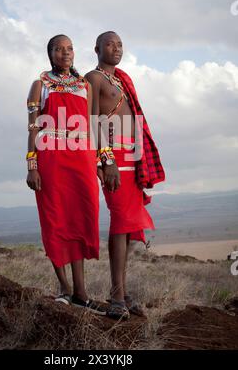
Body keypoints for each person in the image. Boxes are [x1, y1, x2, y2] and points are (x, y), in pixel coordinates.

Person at [85, 31, 165, 320]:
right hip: (113, 158)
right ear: (97, 49)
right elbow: (93, 121)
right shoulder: (93, 79)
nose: (116, 48)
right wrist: (106, 161)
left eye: (120, 44)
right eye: (110, 44)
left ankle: (121, 289)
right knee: (120, 220)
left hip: (132, 156)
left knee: (130, 226)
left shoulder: (122, 78)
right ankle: (117, 297)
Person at [26, 34, 105, 315]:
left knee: (81, 218)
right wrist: (32, 165)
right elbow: (33, 128)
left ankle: (81, 293)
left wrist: (100, 160)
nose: (65, 53)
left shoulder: (85, 85)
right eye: (59, 49)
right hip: (52, 159)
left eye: (69, 48)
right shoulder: (41, 85)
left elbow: (93, 124)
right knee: (55, 220)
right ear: (50, 54)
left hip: (81, 158)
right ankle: (64, 289)